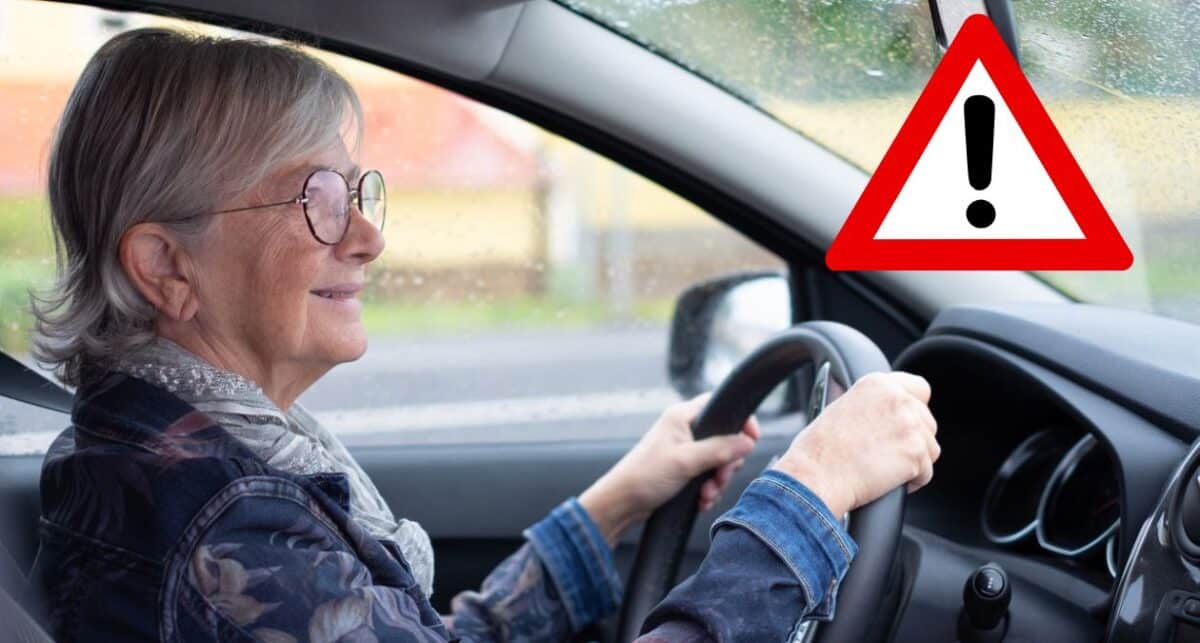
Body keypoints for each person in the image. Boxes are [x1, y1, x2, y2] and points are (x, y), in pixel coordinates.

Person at [28, 29, 940, 642]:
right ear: (165, 267)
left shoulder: (162, 458)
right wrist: (806, 496)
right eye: (314, 197)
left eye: (357, 190)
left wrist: (615, 501)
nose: (368, 234)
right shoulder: (220, 522)